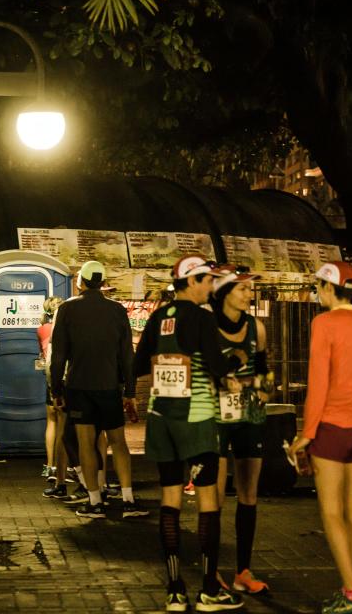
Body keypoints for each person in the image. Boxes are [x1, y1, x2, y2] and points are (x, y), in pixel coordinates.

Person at [133, 254, 246, 612]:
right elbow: (214, 365)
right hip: (195, 418)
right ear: (192, 281)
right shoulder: (200, 317)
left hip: (160, 417)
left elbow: (137, 364)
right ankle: (210, 590)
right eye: (207, 281)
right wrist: (234, 366)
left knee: (171, 500)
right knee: (208, 500)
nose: (211, 287)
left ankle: (175, 590)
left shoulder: (157, 317)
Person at [289, 261, 352, 614]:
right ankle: (350, 589)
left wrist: (305, 435)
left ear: (328, 288)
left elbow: (319, 384)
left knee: (331, 512)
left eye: (317, 287)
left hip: (332, 427)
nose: (316, 294)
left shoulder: (324, 324)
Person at [50, 261, 146, 520]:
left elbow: (58, 355)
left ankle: (95, 501)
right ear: (103, 282)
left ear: (80, 281)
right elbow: (127, 355)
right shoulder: (117, 311)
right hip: (109, 387)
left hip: (79, 386)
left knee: (86, 443)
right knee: (119, 442)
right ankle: (128, 500)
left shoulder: (67, 309)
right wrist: (130, 391)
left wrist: (55, 387)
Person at [210, 266, 271, 594]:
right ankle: (213, 571)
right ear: (223, 293)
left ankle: (243, 571)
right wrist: (220, 384)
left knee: (249, 495)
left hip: (249, 415)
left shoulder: (256, 328)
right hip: (216, 418)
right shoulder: (207, 327)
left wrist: (262, 390)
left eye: (250, 289)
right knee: (215, 498)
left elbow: (264, 369)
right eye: (243, 289)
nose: (250, 294)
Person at [38, 296, 64, 482]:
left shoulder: (41, 329)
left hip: (48, 378)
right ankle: (65, 466)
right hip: (62, 376)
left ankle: (50, 465)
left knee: (51, 421)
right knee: (64, 422)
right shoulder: (62, 328)